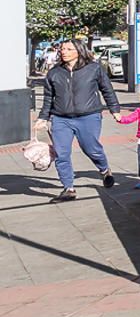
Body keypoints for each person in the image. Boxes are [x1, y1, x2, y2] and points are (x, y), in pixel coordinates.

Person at [34, 38, 121, 200]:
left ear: (79, 51)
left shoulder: (94, 69)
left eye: (68, 49)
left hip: (89, 116)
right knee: (62, 154)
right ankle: (68, 188)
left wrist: (114, 109)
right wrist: (43, 118)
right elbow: (48, 97)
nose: (63, 52)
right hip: (61, 118)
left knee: (91, 148)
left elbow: (107, 90)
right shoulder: (54, 72)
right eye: (62, 49)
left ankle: (104, 170)